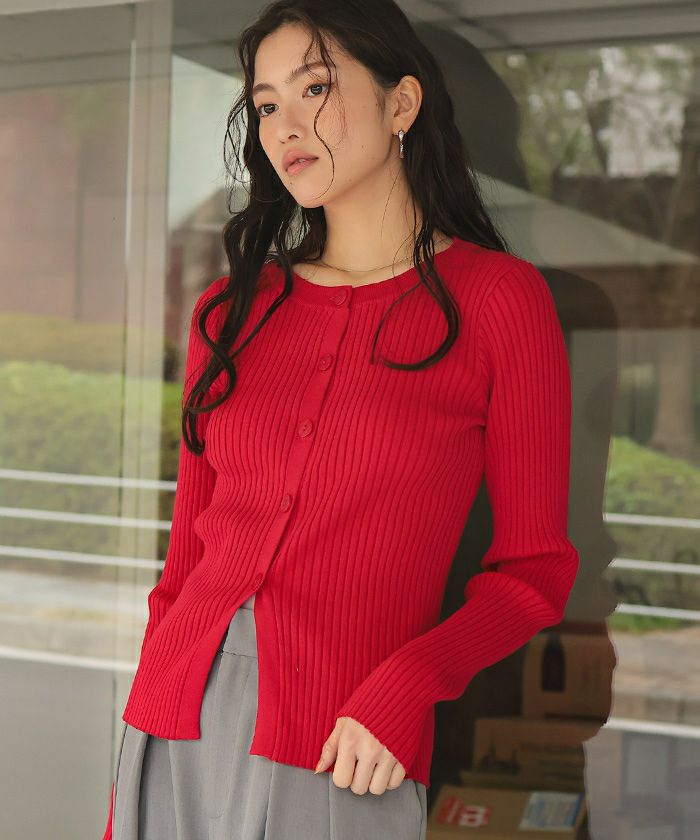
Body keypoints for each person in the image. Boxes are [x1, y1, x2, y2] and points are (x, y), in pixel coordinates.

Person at [102, 0, 580, 837]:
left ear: (402, 103)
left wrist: (409, 685)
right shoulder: (230, 312)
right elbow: (181, 573)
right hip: (172, 723)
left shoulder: (500, 301)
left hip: (347, 745)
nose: (285, 125)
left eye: (315, 88)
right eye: (265, 104)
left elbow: (534, 574)